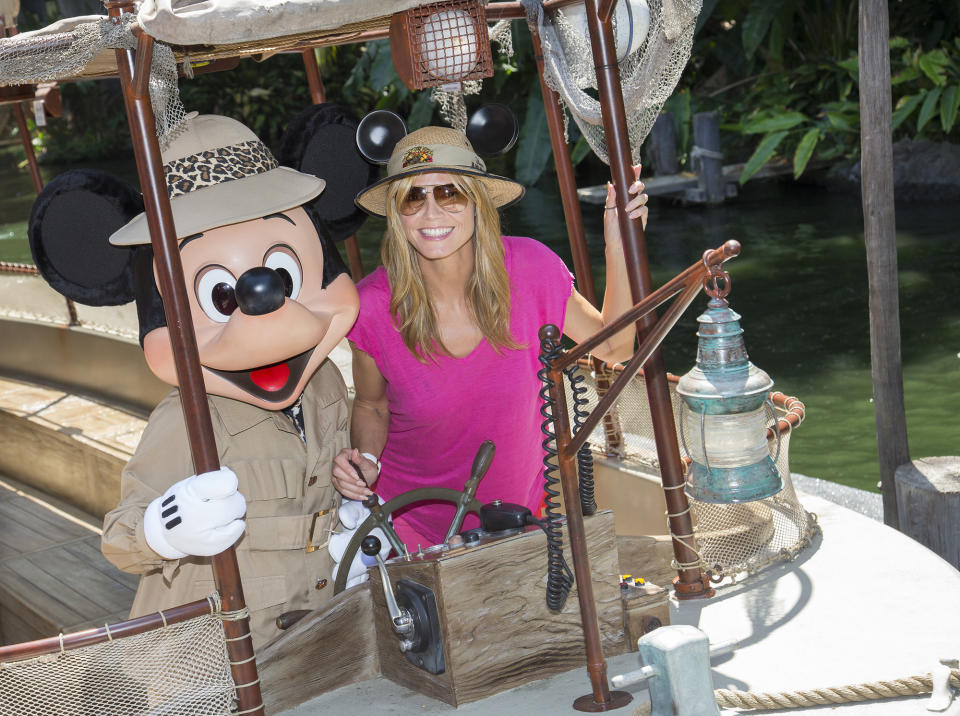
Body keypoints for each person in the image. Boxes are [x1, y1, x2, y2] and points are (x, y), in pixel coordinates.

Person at [331, 126, 647, 549]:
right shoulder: (370, 306)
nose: (430, 213)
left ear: (477, 202)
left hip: (527, 518)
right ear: (396, 213)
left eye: (449, 194)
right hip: (411, 529)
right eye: (412, 197)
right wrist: (366, 459)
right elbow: (372, 403)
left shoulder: (532, 268)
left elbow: (615, 347)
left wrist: (619, 242)